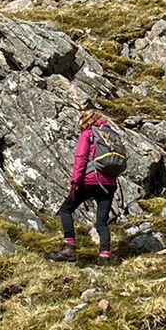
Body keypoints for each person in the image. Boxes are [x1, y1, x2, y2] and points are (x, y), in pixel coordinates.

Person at [53, 110, 125, 261]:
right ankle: (104, 256)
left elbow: (81, 159)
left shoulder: (88, 134)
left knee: (66, 210)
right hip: (109, 183)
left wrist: (75, 183)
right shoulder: (112, 135)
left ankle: (69, 248)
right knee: (101, 222)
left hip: (90, 180)